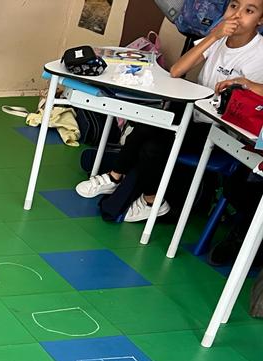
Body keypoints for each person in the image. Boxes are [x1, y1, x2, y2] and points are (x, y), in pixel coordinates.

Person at [75, 0, 263, 223]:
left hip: (221, 130)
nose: (238, 15)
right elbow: (177, 70)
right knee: (153, 120)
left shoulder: (258, 53)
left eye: (249, 11)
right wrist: (214, 36)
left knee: (152, 146)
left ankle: (143, 195)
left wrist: (246, 84)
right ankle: (127, 185)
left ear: (260, 20)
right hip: (196, 115)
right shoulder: (219, 39)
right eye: (234, 6)